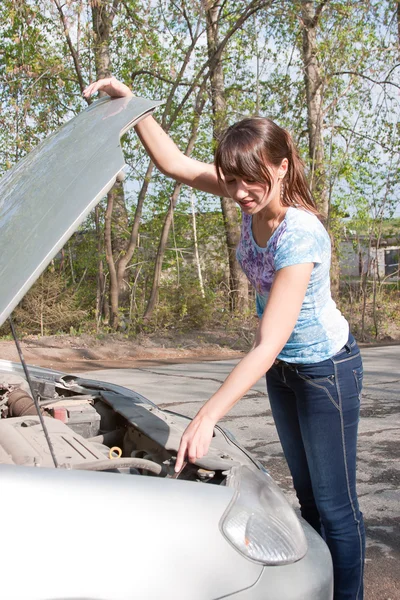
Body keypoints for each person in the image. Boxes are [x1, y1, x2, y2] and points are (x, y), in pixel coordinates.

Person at [84, 77, 365, 600]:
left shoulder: (299, 233)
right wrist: (131, 105)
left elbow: (268, 341)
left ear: (281, 167)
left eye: (250, 180)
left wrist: (208, 414)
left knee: (335, 506)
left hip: (327, 371)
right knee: (307, 498)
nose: (239, 193)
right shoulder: (248, 198)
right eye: (233, 180)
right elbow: (176, 165)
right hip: (285, 371)